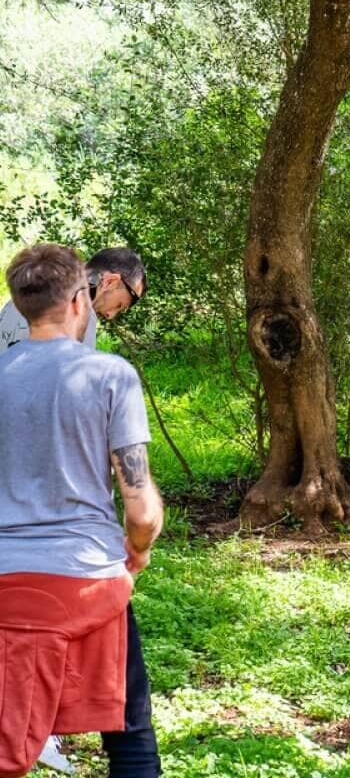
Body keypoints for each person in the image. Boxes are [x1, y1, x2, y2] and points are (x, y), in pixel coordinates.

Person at [0, 244, 164, 778]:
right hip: (86, 579)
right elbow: (140, 511)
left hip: (5, 582)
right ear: (79, 299)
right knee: (129, 732)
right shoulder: (110, 375)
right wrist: (135, 552)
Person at [0, 246, 145, 351]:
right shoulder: (80, 312)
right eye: (118, 305)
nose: (110, 315)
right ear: (109, 282)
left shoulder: (23, 296)